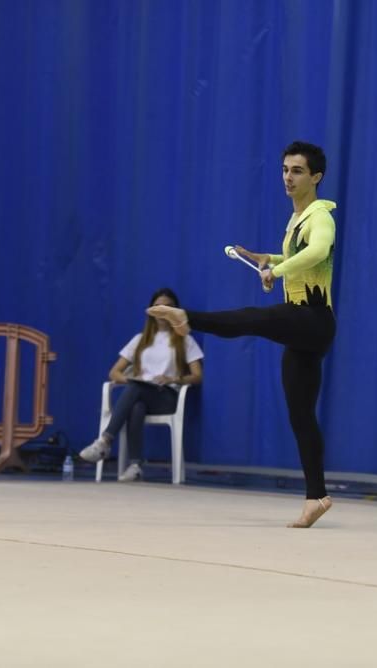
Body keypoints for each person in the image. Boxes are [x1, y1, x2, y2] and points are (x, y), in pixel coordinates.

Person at [148, 141, 336, 528]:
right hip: (302, 325)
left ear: (315, 177)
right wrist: (270, 259)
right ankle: (316, 497)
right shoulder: (295, 220)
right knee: (300, 414)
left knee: (253, 318)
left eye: (297, 171)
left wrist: (276, 272)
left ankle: (187, 319)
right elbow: (298, 257)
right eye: (285, 169)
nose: (288, 176)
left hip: (313, 319)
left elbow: (318, 252)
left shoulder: (321, 216)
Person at [80, 288, 204, 481]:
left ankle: (105, 441)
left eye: (168, 307)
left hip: (167, 396)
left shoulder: (185, 339)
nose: (163, 310)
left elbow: (197, 375)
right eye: (158, 306)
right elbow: (114, 372)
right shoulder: (140, 340)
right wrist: (132, 380)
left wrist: (174, 379)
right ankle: (136, 465)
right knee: (136, 404)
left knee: (135, 390)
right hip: (140, 393)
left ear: (176, 311)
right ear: (151, 311)